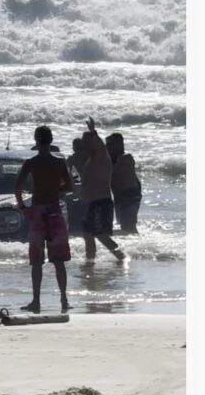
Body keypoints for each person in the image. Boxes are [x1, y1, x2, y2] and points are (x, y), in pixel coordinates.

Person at [14, 125, 73, 313]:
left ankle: (36, 301)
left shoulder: (31, 162)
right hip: (55, 210)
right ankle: (64, 299)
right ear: (51, 140)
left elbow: (17, 187)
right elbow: (70, 186)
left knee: (37, 261)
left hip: (38, 212)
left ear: (36, 140)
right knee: (59, 260)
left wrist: (23, 207)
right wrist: (56, 189)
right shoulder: (59, 163)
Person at [79, 118, 126, 265]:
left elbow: (100, 145)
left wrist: (93, 131)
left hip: (101, 203)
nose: (84, 145)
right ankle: (90, 262)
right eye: (83, 143)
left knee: (101, 235)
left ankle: (122, 258)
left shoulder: (101, 156)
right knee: (87, 235)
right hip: (92, 204)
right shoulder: (90, 160)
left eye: (87, 142)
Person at [107, 133, 142, 235]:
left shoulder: (126, 158)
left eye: (110, 145)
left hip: (130, 195)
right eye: (107, 145)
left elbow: (114, 173)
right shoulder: (111, 160)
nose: (107, 147)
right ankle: (134, 244)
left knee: (129, 226)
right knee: (124, 225)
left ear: (119, 145)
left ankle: (141, 247)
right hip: (120, 196)